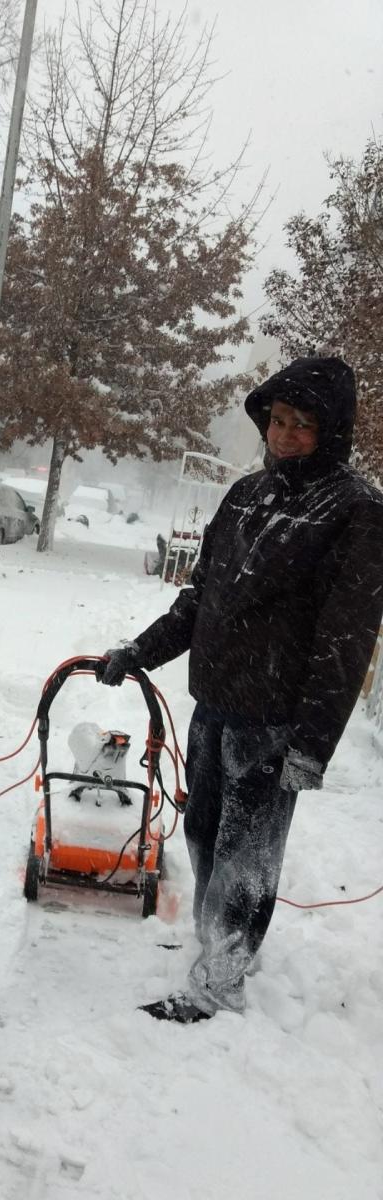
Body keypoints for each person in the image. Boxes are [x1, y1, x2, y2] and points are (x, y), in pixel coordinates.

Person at [98, 357, 383, 1023]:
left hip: (274, 721)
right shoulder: (246, 496)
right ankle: (217, 944)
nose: (283, 434)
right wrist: (139, 652)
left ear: (331, 431)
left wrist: (311, 744)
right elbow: (198, 602)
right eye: (278, 420)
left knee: (245, 854)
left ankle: (220, 982)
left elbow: (346, 639)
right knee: (202, 832)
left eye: (302, 424)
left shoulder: (356, 511)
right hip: (216, 706)